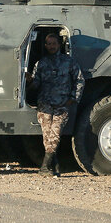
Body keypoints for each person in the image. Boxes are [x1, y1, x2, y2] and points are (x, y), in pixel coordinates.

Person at [26, 33, 85, 176]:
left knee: (55, 134)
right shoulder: (41, 64)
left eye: (54, 43)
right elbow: (36, 85)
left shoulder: (69, 62)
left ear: (59, 45)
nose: (51, 46)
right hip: (45, 104)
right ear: (45, 46)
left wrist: (73, 99)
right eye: (49, 44)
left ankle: (45, 167)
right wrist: (29, 81)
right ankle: (54, 165)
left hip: (61, 105)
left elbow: (80, 80)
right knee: (48, 136)